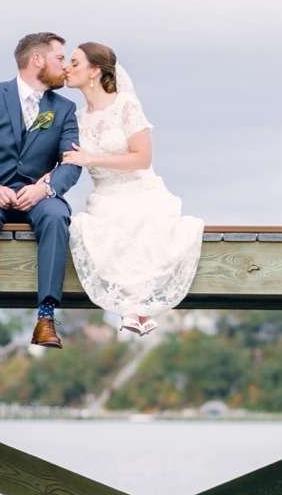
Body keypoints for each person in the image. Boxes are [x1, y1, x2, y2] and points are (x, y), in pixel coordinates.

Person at [60, 42, 203, 336]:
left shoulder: (125, 106)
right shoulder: (77, 119)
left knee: (139, 218)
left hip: (140, 188)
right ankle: (139, 310)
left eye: (74, 63)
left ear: (95, 71)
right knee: (99, 226)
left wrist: (89, 159)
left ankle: (134, 308)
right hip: (105, 195)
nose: (66, 68)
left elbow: (142, 158)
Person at [0, 33, 82, 351]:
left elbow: (71, 162)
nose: (64, 67)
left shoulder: (64, 109)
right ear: (37, 59)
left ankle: (46, 319)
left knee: (56, 213)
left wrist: (45, 189)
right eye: (60, 58)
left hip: (38, 198)